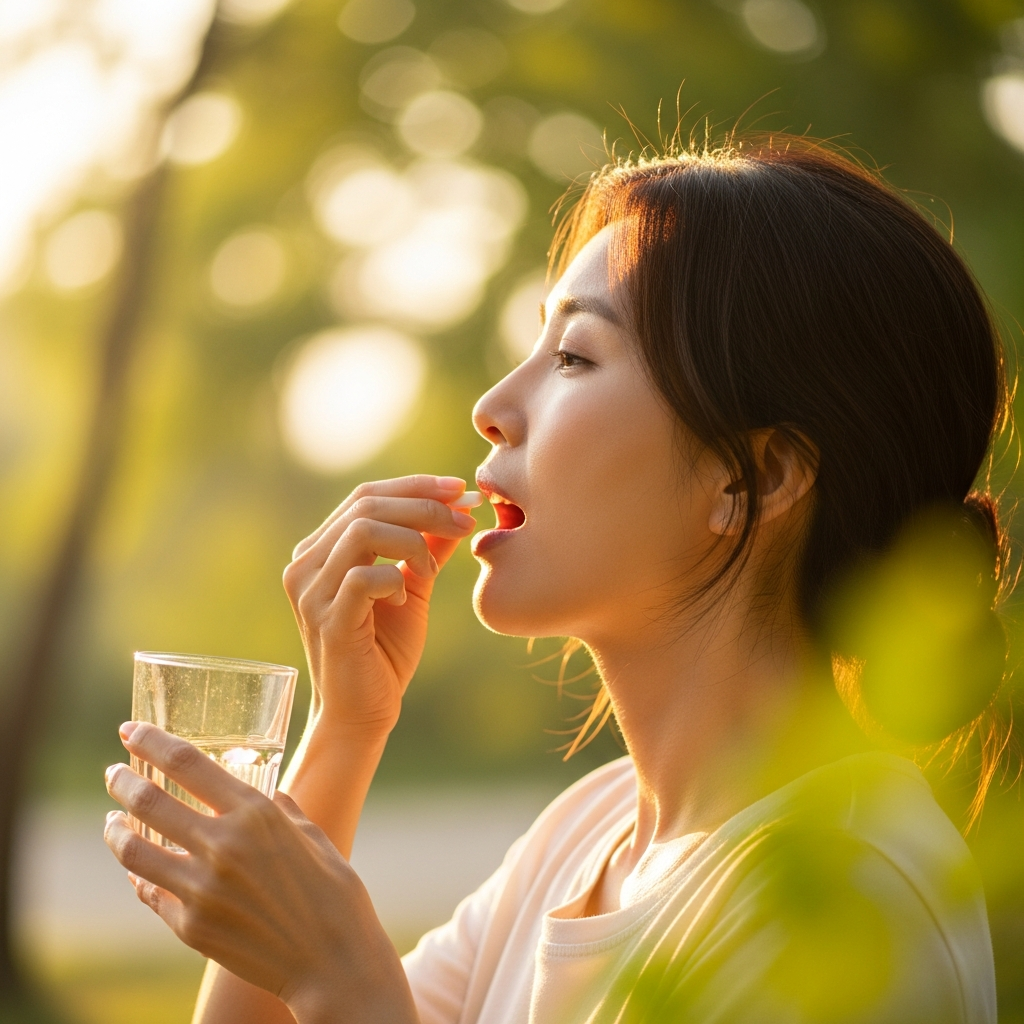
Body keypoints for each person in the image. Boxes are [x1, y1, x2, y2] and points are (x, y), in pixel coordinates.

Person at [103, 136, 1010, 1024]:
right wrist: (347, 730)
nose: (492, 409)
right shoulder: (589, 833)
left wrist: (337, 971)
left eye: (573, 356)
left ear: (752, 479)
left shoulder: (851, 897)